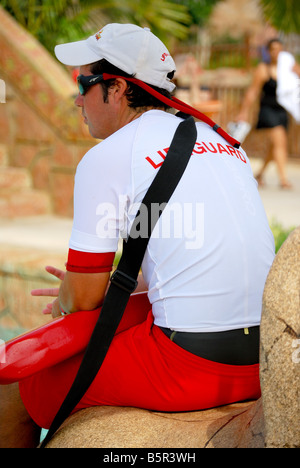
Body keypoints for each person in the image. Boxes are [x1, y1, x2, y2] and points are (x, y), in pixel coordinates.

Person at [0, 24, 275, 448]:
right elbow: (196, 252)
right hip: (260, 357)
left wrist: (68, 298)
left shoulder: (107, 157)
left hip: (191, 365)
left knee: (18, 380)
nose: (77, 97)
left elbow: (84, 300)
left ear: (117, 90)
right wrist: (97, 288)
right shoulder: (223, 141)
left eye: (84, 82)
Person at [236, 38, 300, 189]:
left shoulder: (288, 68)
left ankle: (260, 173)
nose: (276, 52)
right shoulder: (263, 69)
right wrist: (243, 112)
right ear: (268, 51)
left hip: (282, 111)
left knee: (274, 146)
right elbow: (253, 91)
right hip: (268, 110)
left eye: (279, 49)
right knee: (280, 141)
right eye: (273, 49)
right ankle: (283, 178)